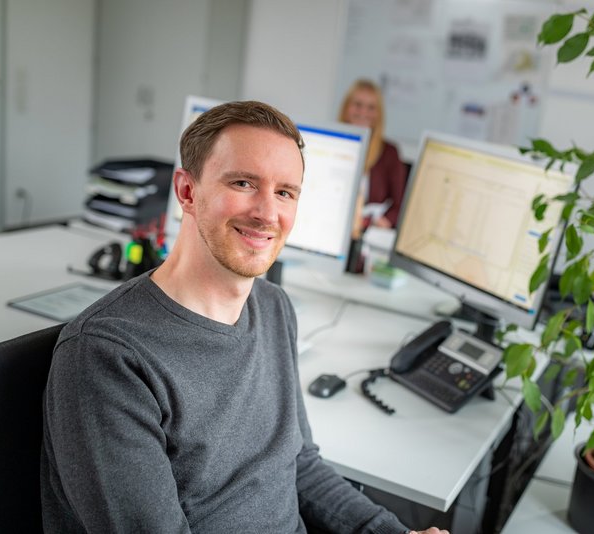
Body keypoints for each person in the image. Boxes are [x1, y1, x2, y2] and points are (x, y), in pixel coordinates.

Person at [41, 100, 448, 534]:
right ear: (187, 192)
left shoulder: (274, 308)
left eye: (285, 192)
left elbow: (301, 466)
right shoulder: (106, 355)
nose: (267, 213)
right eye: (243, 182)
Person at [339, 79, 407, 230]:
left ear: (379, 114)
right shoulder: (332, 144)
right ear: (346, 108)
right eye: (358, 105)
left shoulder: (390, 152)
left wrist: (383, 222)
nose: (363, 112)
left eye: (371, 108)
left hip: (370, 230)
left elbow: (400, 204)